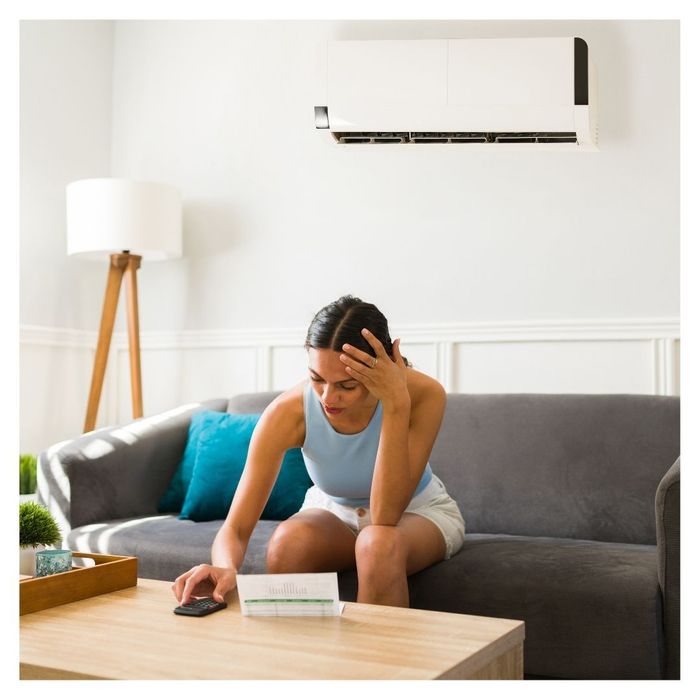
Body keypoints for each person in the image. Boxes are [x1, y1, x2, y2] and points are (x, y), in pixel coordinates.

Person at [172, 295, 465, 608]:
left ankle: (375, 658)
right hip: (332, 512)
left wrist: (395, 403)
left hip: (417, 514)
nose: (328, 397)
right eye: (317, 379)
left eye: (347, 385)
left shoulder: (423, 394)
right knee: (288, 543)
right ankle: (305, 656)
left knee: (376, 543)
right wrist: (225, 567)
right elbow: (236, 527)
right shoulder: (287, 412)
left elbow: (384, 516)